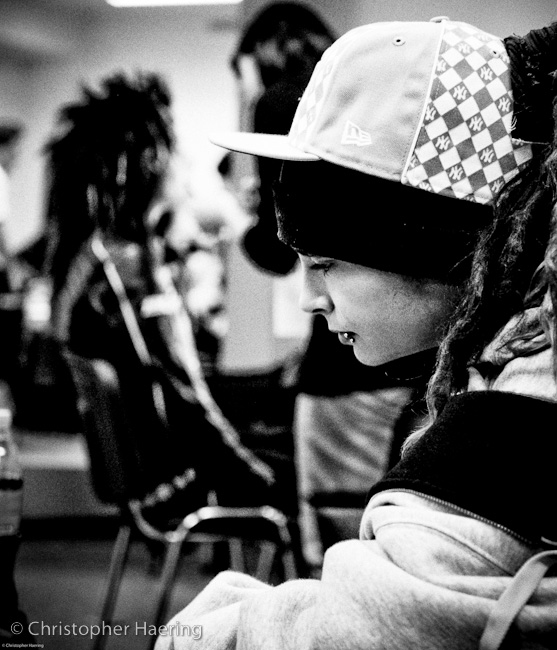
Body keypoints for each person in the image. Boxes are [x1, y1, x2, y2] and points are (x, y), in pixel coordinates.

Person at [156, 16, 557, 649]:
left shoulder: (530, 390)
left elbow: (376, 629)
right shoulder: (517, 341)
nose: (309, 299)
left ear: (427, 245)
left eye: (325, 264)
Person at [42, 72, 289, 531]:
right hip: (176, 480)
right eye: (176, 149)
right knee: (299, 469)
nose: (187, 161)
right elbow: (185, 400)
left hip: (162, 471)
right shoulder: (131, 268)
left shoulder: (102, 256)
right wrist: (263, 477)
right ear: (149, 163)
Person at [230, 1, 421, 571]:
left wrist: (244, 217)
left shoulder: (276, 101)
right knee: (392, 535)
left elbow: (275, 248)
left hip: (344, 367)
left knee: (340, 550)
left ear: (259, 54)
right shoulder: (369, 99)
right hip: (408, 350)